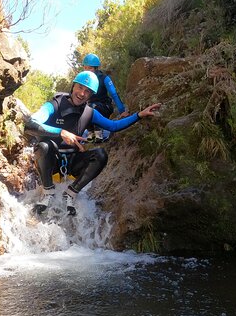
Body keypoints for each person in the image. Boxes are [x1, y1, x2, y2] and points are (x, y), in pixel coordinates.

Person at [24, 70, 161, 216]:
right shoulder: (54, 105)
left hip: (72, 162)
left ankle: (71, 193)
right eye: (80, 88)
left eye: (88, 91)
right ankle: (48, 191)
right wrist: (60, 132)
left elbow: (113, 126)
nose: (82, 93)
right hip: (51, 162)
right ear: (73, 86)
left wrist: (139, 115)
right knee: (44, 147)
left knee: (100, 154)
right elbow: (30, 124)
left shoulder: (89, 113)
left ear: (91, 95)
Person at [82, 53, 129, 142]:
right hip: (92, 107)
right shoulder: (84, 80)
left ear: (96, 68)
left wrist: (122, 111)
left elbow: (114, 94)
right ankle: (90, 133)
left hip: (104, 107)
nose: (87, 70)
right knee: (84, 108)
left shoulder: (104, 78)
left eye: (90, 68)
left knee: (93, 107)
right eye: (85, 68)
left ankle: (98, 134)